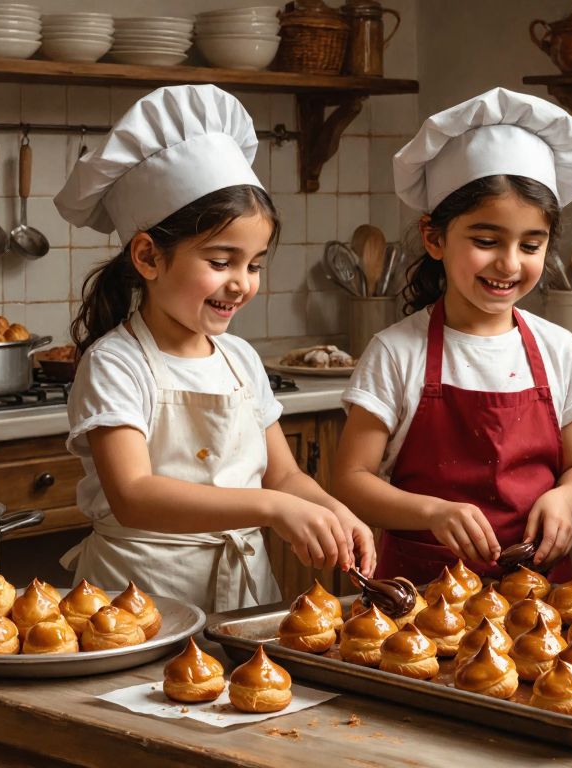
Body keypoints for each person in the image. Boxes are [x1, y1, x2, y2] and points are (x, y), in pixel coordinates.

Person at [56, 85, 373, 611]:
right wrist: (272, 509)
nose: (242, 283)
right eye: (221, 261)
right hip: (135, 604)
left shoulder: (241, 360)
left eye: (253, 265)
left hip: (244, 597)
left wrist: (331, 511)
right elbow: (133, 495)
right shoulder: (115, 363)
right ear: (148, 257)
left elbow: (285, 474)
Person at [331, 88, 572, 585]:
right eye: (486, 241)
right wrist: (433, 513)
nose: (509, 263)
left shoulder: (558, 348)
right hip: (421, 599)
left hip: (541, 596)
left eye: (531, 244)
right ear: (434, 237)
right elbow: (350, 481)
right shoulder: (396, 352)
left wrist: (566, 498)